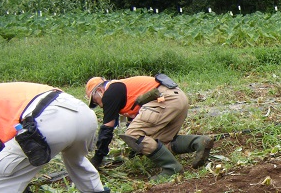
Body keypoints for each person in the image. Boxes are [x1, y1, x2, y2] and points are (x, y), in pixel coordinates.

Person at [85, 74, 213, 180]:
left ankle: (172, 168)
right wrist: (134, 151)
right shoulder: (122, 89)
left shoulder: (110, 93)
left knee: (132, 135)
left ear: (100, 91)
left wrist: (98, 157)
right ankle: (199, 142)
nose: (98, 105)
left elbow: (107, 129)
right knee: (159, 142)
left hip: (164, 99)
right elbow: (137, 121)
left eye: (95, 101)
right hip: (178, 98)